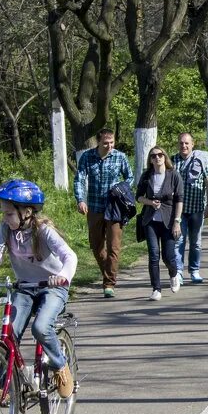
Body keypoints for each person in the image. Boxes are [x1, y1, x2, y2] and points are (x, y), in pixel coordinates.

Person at [0, 179, 78, 398]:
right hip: (25, 288)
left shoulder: (44, 231)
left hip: (52, 288)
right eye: (4, 214)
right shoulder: (6, 230)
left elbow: (70, 256)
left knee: (41, 328)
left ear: (27, 212)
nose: (5, 219)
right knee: (9, 334)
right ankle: (4, 386)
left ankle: (60, 365)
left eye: (9, 214)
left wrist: (63, 276)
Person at [74, 128, 133, 298]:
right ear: (98, 142)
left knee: (113, 246)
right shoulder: (87, 157)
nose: (109, 146)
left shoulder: (120, 157)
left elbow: (129, 177)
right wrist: (81, 200)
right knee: (96, 245)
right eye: (106, 143)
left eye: (112, 143)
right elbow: (79, 179)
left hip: (114, 207)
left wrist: (121, 188)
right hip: (94, 206)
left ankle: (109, 283)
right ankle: (108, 269)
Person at [135, 146, 184, 301]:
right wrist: (150, 202)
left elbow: (179, 200)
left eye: (160, 155)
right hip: (150, 220)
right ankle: (156, 289)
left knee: (168, 256)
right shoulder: (147, 176)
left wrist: (177, 221)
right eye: (153, 156)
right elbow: (138, 197)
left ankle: (174, 273)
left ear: (165, 157)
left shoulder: (173, 175)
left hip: (168, 221)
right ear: (150, 160)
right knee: (153, 255)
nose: (157, 158)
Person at [171, 133, 208, 284]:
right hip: (179, 211)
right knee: (179, 241)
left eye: (187, 143)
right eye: (181, 143)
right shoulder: (172, 160)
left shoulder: (201, 160)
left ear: (192, 144)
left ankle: (194, 270)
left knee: (196, 242)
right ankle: (178, 272)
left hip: (197, 209)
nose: (184, 146)